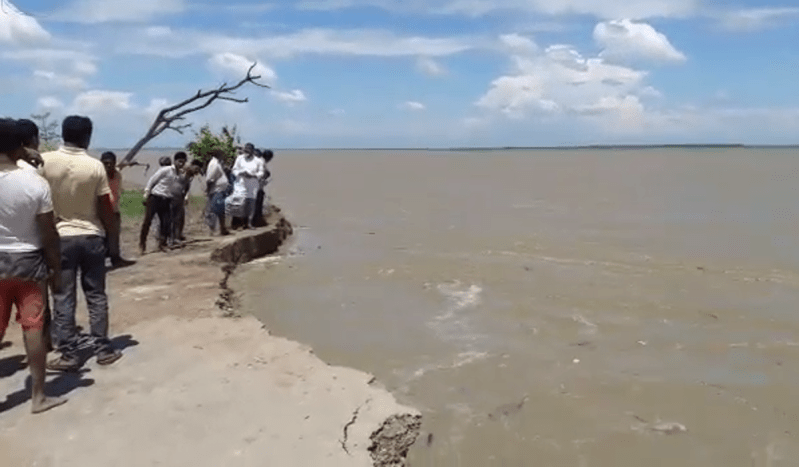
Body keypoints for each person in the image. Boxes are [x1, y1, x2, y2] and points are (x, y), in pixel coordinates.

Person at [39, 115, 122, 371]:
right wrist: (111, 236)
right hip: (91, 236)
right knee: (96, 294)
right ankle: (103, 349)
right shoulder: (95, 166)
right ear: (87, 136)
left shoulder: (45, 162)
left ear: (63, 134)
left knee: (63, 296)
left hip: (59, 237)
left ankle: (69, 354)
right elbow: (105, 206)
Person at [0, 119, 67, 413]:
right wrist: (55, 271)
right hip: (29, 264)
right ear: (20, 146)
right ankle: (38, 397)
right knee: (33, 328)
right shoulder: (35, 183)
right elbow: (49, 234)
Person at [100, 152, 134, 268]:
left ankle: (115, 259)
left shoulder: (117, 173)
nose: (108, 165)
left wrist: (128, 164)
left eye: (111, 163)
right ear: (101, 163)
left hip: (114, 210)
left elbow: (121, 166)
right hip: (100, 211)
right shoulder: (98, 176)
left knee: (114, 236)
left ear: (115, 163)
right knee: (100, 237)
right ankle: (99, 262)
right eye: (106, 163)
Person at [140, 154, 178, 254]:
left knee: (165, 222)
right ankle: (142, 243)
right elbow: (152, 180)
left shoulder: (176, 172)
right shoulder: (165, 170)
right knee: (148, 221)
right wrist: (146, 194)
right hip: (155, 197)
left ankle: (162, 243)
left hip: (166, 199)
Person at [228, 143, 264, 230]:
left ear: (252, 150)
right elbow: (234, 169)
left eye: (248, 150)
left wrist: (253, 175)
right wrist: (240, 173)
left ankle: (249, 223)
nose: (246, 151)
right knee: (240, 204)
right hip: (241, 184)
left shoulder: (258, 161)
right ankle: (240, 224)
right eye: (245, 150)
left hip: (252, 185)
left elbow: (261, 172)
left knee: (251, 205)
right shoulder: (239, 158)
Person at [204, 149, 230, 236]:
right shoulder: (214, 164)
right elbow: (209, 179)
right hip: (216, 190)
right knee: (215, 210)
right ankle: (213, 230)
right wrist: (208, 190)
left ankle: (222, 228)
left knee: (220, 210)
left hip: (220, 190)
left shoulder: (218, 163)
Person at [167, 152, 192, 245]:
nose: (181, 164)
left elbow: (187, 186)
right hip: (169, 198)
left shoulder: (184, 173)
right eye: (180, 161)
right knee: (170, 219)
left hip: (179, 198)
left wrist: (186, 196)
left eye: (183, 162)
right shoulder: (169, 170)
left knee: (179, 219)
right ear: (175, 161)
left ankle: (177, 237)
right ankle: (169, 238)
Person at [251, 149, 273, 227]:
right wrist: (264, 180)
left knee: (255, 205)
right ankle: (256, 222)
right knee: (257, 206)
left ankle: (255, 221)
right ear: (269, 158)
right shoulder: (262, 163)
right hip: (257, 188)